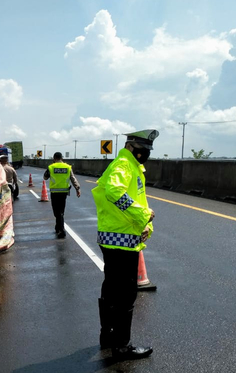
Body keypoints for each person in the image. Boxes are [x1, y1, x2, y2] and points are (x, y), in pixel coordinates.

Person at [92, 129, 159, 360]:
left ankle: (108, 336)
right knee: (126, 293)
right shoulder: (123, 165)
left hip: (115, 235)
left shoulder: (131, 166)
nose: (145, 154)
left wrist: (144, 224)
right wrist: (142, 216)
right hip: (121, 238)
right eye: (142, 150)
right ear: (130, 146)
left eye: (147, 151)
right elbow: (114, 192)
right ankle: (122, 346)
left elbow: (137, 199)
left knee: (111, 287)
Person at [43, 152, 81, 238]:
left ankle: (61, 230)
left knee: (57, 211)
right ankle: (58, 227)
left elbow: (45, 177)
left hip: (55, 192)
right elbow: (73, 178)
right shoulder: (68, 167)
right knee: (61, 211)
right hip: (64, 192)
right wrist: (77, 189)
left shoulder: (51, 167)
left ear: (54, 158)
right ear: (61, 158)